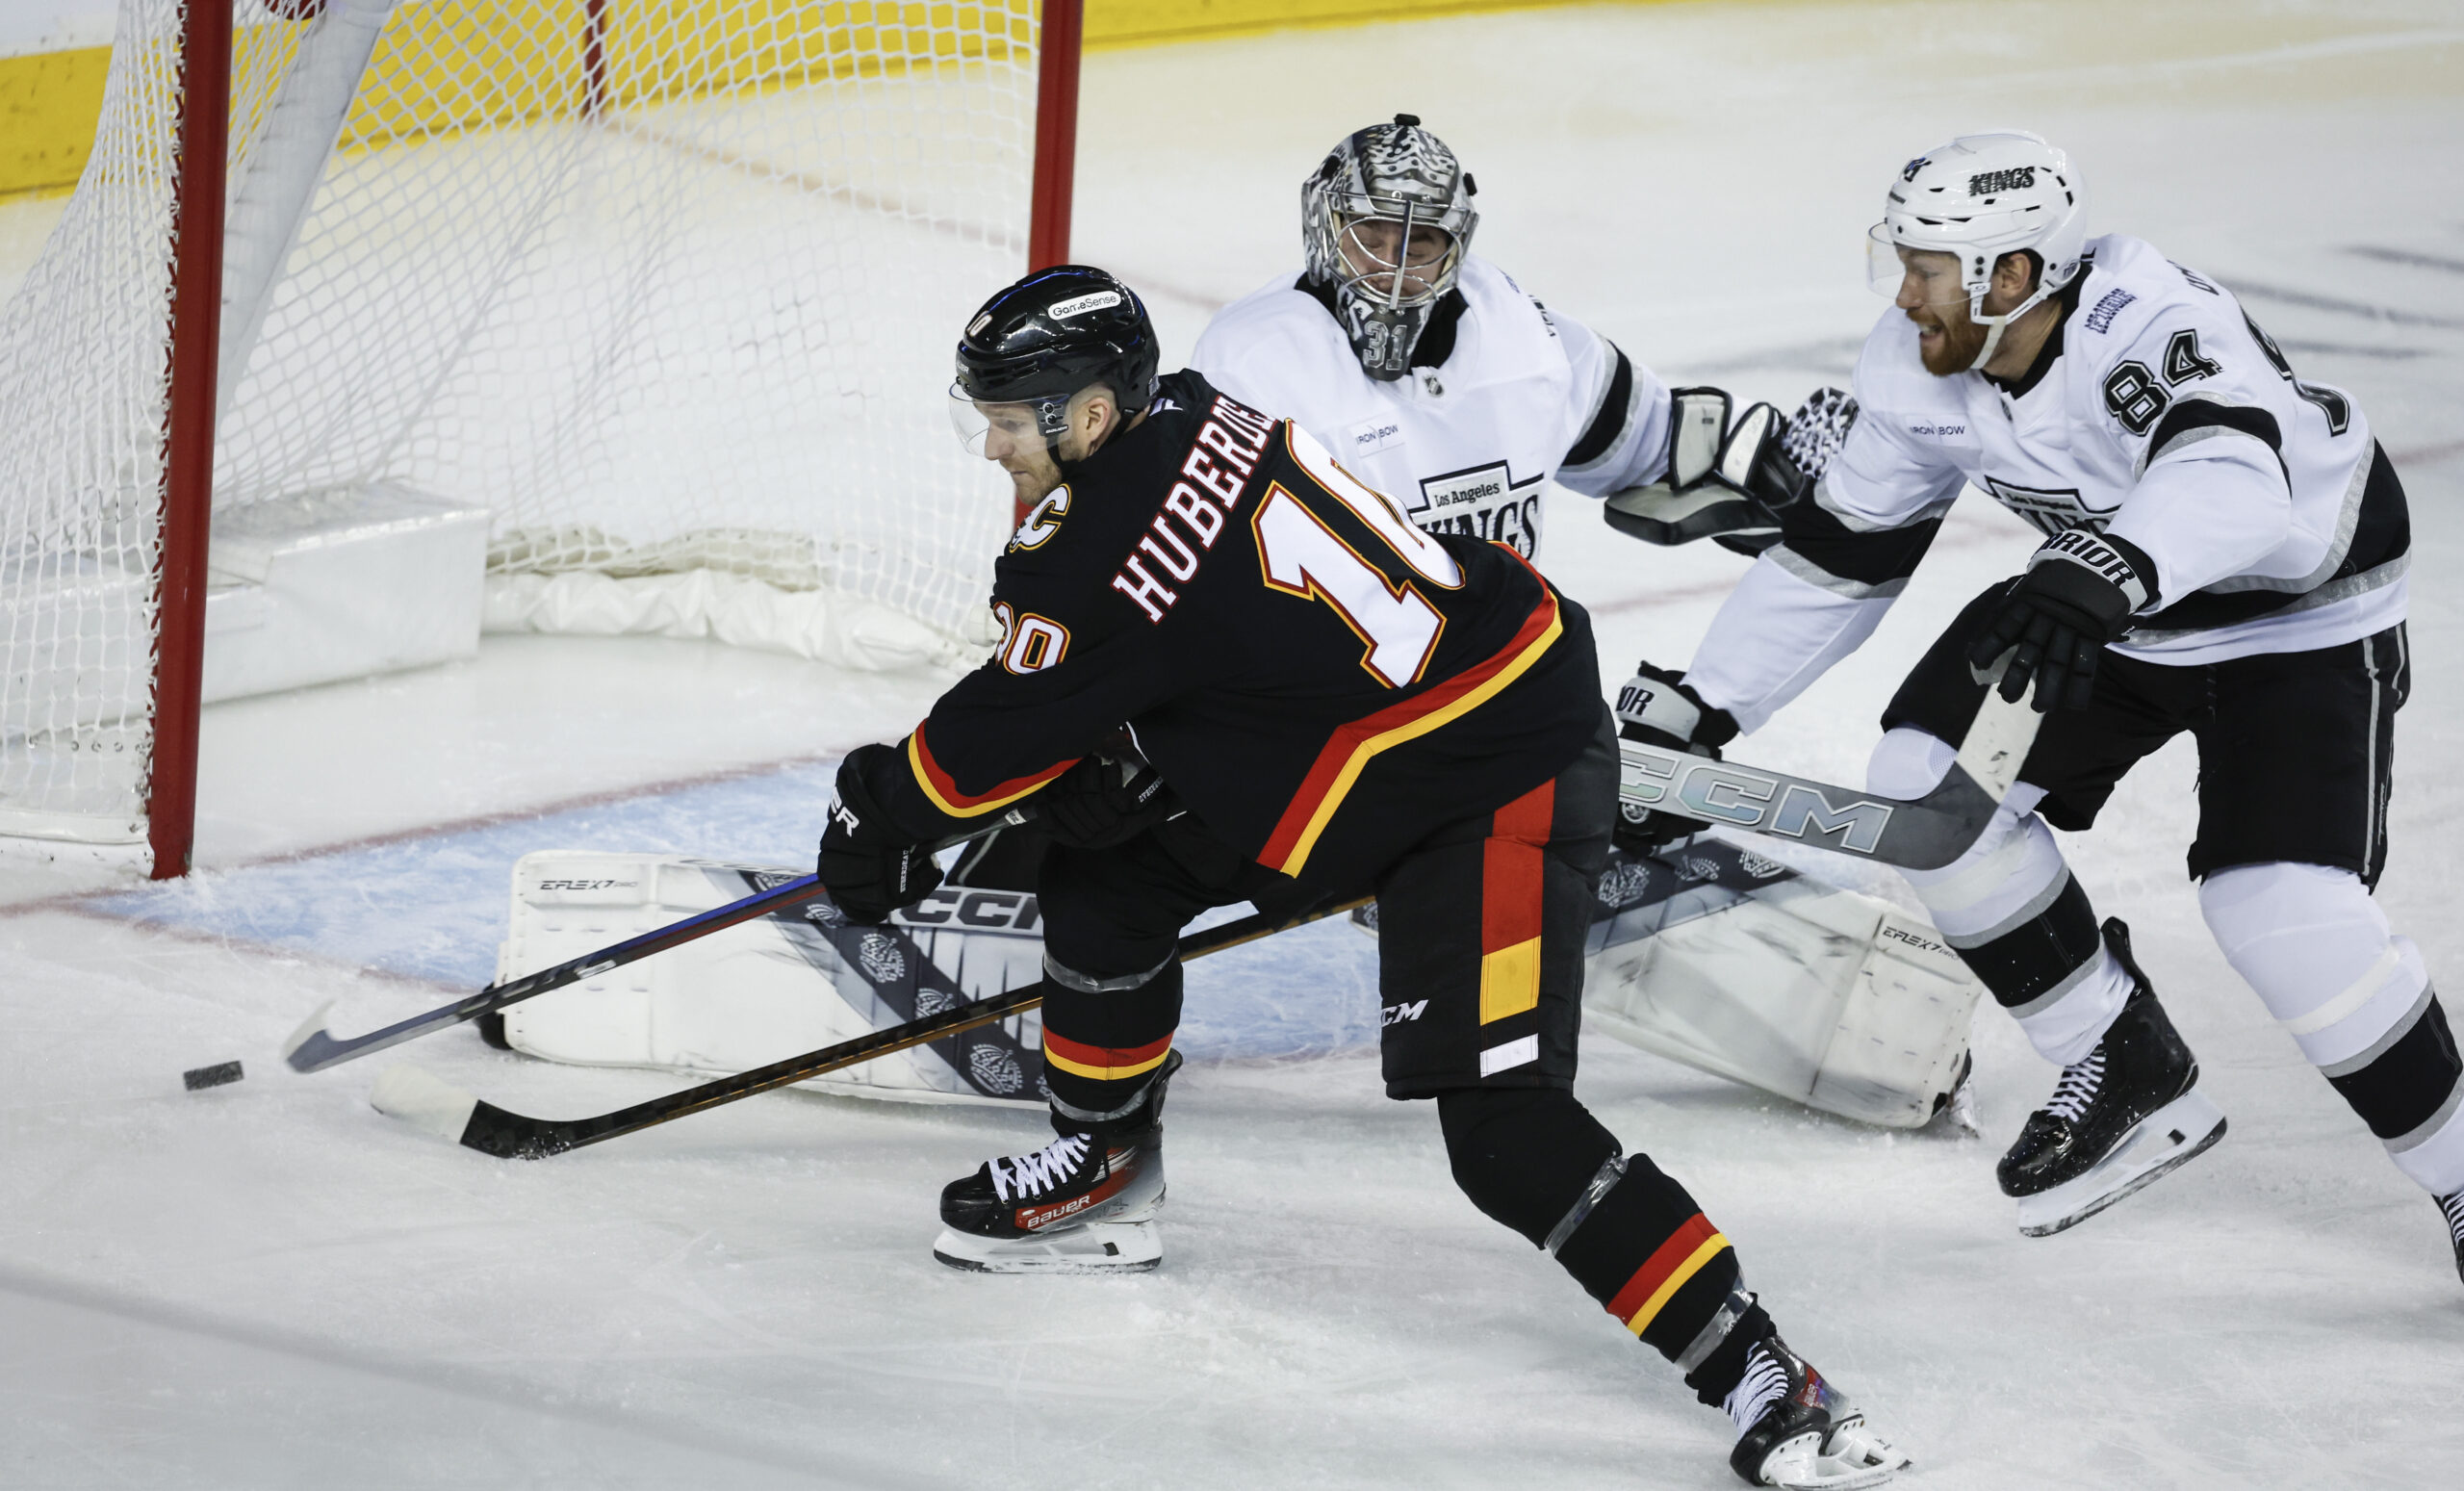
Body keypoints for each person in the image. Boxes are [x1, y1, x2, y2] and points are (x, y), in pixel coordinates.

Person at [816, 264, 1908, 1488]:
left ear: (1086, 415)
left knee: (1502, 1133)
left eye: (1009, 421)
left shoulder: (1099, 542)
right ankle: (1107, 1166)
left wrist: (878, 811)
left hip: (1496, 762)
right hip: (1356, 740)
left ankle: (1769, 1375)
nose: (989, 446)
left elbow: (981, 746)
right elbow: (1199, 639)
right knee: (1105, 871)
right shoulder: (1181, 407)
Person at [1617, 131, 2462, 1265]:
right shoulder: (1918, 366)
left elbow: (2235, 475)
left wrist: (2108, 569)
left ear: (2012, 275)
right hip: (2109, 607)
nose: (1903, 292)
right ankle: (2118, 1053)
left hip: (2296, 617)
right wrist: (1703, 704)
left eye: (1925, 268)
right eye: (1901, 260)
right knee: (1928, 785)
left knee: (2279, 911)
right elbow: (1844, 553)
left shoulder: (2148, 323)